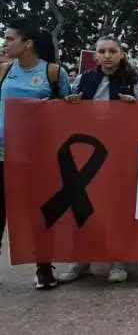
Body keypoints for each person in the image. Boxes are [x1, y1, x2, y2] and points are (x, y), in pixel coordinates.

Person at [58, 35, 138, 284]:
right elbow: (67, 111)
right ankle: (81, 260)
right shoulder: (84, 79)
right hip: (87, 152)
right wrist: (70, 102)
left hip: (120, 151)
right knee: (83, 205)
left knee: (115, 206)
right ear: (95, 56)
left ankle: (117, 260)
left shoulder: (134, 81)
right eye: (102, 51)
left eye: (112, 51)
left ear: (121, 54)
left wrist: (135, 105)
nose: (107, 55)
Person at [0, 21, 72, 290]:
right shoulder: (5, 71)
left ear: (27, 42)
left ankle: (44, 268)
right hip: (3, 153)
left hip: (37, 155)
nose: (5, 44)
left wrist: (57, 106)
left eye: (9, 38)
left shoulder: (53, 73)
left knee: (38, 214)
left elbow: (69, 110)